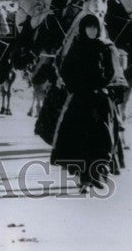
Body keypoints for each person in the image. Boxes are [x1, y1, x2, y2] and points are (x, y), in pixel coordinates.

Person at [50, 13, 122, 192]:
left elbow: (112, 72)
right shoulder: (77, 45)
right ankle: (83, 177)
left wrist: (100, 86)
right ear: (83, 28)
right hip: (80, 98)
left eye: (95, 27)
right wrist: (75, 86)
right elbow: (66, 70)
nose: (92, 30)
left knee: (102, 135)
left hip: (100, 99)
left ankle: (97, 173)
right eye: (88, 27)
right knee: (77, 136)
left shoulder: (106, 47)